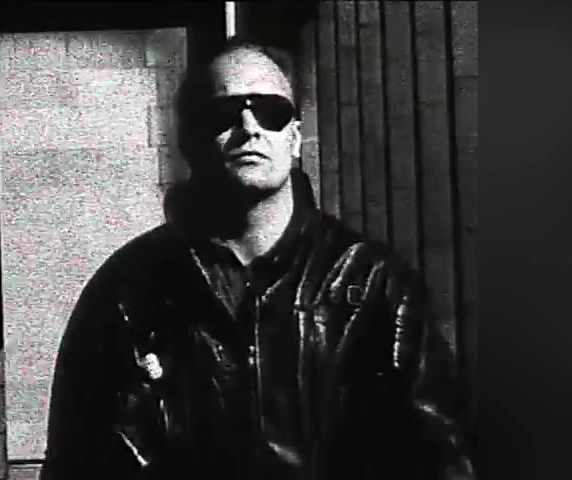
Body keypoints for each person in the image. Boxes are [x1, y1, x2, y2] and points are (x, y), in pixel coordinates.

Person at [40, 36, 475, 480]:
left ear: (295, 138)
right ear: (190, 140)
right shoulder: (129, 290)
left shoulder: (372, 283)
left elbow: (441, 455)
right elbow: (75, 460)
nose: (249, 127)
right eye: (224, 114)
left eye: (271, 111)